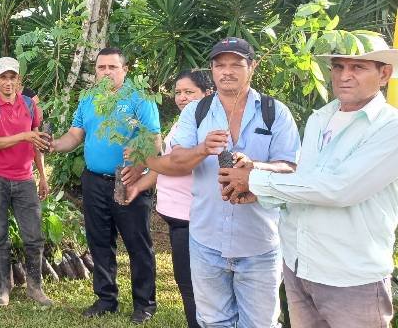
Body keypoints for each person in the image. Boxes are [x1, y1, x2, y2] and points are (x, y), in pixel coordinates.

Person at [218, 37, 398, 327]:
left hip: (350, 277)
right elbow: (307, 180)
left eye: (358, 67)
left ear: (384, 74)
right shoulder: (320, 118)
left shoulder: (390, 127)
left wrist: (255, 180)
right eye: (338, 67)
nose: (344, 75)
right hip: (300, 266)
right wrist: (261, 188)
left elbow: (339, 188)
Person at [164, 37, 301, 327]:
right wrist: (202, 148)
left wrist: (256, 169)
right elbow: (177, 162)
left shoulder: (274, 112)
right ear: (212, 70)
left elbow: (291, 169)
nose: (227, 71)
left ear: (252, 66)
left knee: (260, 324)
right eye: (220, 65)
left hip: (259, 244)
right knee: (214, 322)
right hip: (206, 241)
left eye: (236, 64)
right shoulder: (196, 112)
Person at [49, 47, 161, 324]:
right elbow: (75, 135)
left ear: (125, 70)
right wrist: (53, 145)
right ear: (95, 70)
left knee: (138, 244)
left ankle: (144, 304)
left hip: (129, 181)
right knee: (100, 242)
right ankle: (106, 299)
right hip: (94, 180)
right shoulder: (88, 98)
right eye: (102, 67)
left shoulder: (139, 97)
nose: (107, 72)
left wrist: (137, 163)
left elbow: (154, 140)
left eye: (113, 67)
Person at [122, 69, 213, 328]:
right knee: (186, 283)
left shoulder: (204, 122)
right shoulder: (184, 121)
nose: (182, 98)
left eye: (189, 92)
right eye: (178, 92)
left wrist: (145, 158)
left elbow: (179, 165)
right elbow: (165, 167)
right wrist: (140, 185)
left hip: (192, 218)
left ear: (207, 93)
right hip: (178, 218)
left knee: (194, 285)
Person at [0, 57, 52, 307]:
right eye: (3, 77)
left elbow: (37, 143)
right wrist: (25, 135)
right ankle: (2, 289)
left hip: (24, 179)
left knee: (34, 235)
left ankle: (35, 287)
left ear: (19, 80)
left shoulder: (30, 105)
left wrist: (41, 175)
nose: (8, 82)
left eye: (13, 77)